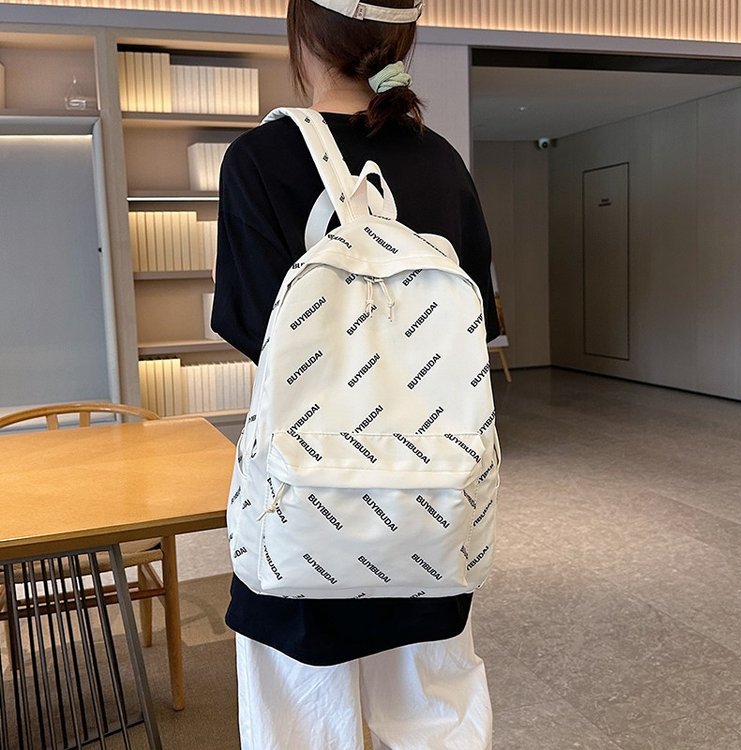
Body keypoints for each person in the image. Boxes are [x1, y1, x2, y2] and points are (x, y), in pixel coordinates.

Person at [212, 1, 499, 747]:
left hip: (307, 501)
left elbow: (256, 331)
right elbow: (476, 331)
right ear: (400, 37)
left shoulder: (258, 159)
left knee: (301, 719)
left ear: (302, 31)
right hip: (431, 506)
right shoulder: (441, 161)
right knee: (435, 712)